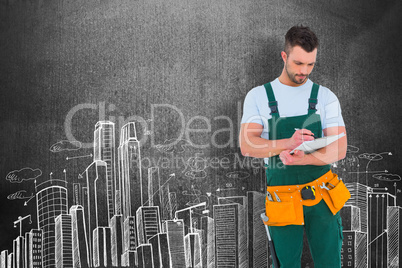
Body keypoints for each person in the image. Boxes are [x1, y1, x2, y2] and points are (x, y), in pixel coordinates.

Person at [239, 25, 347, 268]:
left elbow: (340, 148)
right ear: (284, 56)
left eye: (310, 64)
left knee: (330, 263)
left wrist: (302, 158)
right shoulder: (258, 96)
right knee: (286, 264)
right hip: (282, 197)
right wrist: (288, 143)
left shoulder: (325, 97)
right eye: (299, 63)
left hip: (322, 194)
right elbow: (247, 145)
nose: (304, 71)